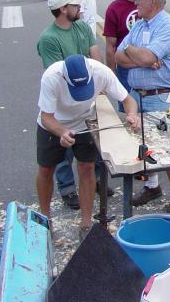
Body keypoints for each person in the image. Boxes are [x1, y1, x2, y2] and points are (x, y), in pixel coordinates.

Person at [36, 54, 140, 240]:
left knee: (87, 167)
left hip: (86, 121)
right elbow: (46, 117)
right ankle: (45, 218)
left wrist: (132, 115)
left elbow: (128, 100)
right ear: (64, 77)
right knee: (46, 168)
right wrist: (62, 132)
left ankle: (86, 222)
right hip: (54, 124)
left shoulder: (101, 72)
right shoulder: (51, 77)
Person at [116, 0, 170, 214]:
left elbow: (148, 57)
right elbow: (119, 56)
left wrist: (139, 54)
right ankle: (152, 185)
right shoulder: (139, 25)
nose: (136, 0)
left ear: (154, 1)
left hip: (160, 95)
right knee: (144, 143)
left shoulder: (168, 26)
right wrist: (139, 56)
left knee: (167, 145)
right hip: (138, 94)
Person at [37, 0, 104, 209]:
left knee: (90, 151)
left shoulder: (82, 27)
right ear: (64, 9)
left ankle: (95, 182)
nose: (80, 8)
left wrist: (99, 83)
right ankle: (67, 188)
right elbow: (56, 74)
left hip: (85, 96)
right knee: (62, 151)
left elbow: (95, 54)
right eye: (75, 5)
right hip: (63, 103)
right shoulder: (49, 38)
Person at [104, 0, 146, 111]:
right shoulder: (114, 8)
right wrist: (112, 73)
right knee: (129, 112)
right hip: (126, 67)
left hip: (148, 64)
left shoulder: (150, 4)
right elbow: (110, 46)